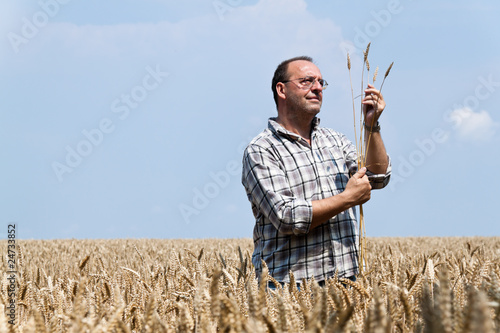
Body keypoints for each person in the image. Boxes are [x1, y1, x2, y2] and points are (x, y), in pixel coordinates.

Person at [241, 56, 391, 286]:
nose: (318, 88)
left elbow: (378, 178)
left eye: (321, 82)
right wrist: (347, 198)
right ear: (281, 89)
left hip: (346, 283)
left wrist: (372, 126)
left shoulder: (335, 140)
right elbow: (287, 217)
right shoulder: (261, 149)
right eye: (307, 81)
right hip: (288, 289)